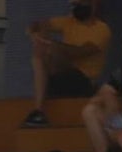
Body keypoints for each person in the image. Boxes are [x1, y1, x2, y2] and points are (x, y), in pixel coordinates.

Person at [21, 0, 111, 128]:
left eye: (80, 4)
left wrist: (51, 44)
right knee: (39, 54)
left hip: (84, 82)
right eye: (74, 5)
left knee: (50, 49)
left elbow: (81, 52)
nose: (77, 7)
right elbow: (40, 24)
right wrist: (35, 32)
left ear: (93, 4)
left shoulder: (102, 29)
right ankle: (38, 111)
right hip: (62, 77)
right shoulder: (68, 22)